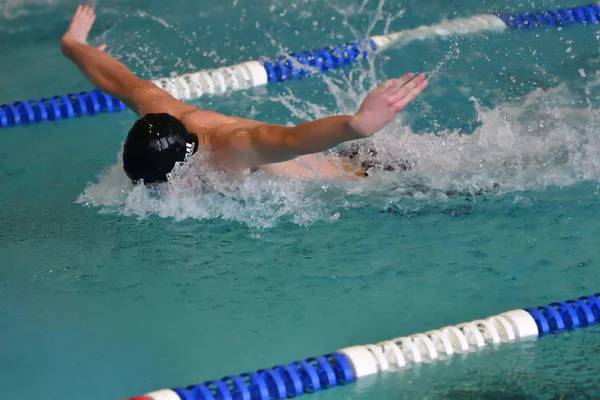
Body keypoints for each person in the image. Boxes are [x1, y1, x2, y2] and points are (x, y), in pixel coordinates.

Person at [61, 5, 428, 184]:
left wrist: (357, 124)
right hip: (346, 155)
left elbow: (292, 138)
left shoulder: (231, 147)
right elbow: (118, 79)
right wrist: (72, 44)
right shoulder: (164, 115)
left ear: (187, 162)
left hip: (369, 182)